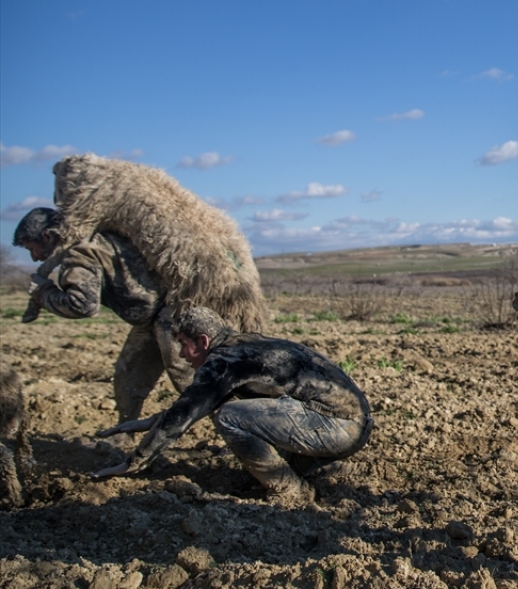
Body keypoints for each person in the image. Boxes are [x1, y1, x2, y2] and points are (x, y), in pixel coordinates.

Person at [92, 307, 373, 505]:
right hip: (355, 426)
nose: (180, 354)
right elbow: (196, 404)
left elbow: (190, 411)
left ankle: (289, 490)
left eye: (183, 344)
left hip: (335, 428)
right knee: (242, 411)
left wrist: (134, 462)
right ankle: (311, 469)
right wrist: (149, 422)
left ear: (203, 341)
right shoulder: (246, 346)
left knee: (229, 417)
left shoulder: (223, 360)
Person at [13, 208, 193, 426]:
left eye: (32, 249)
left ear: (48, 237)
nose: (34, 257)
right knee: (129, 376)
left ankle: (236, 437)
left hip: (172, 314)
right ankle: (122, 437)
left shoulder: (79, 253)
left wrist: (44, 293)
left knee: (191, 381)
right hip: (152, 317)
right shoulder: (91, 239)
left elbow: (82, 305)